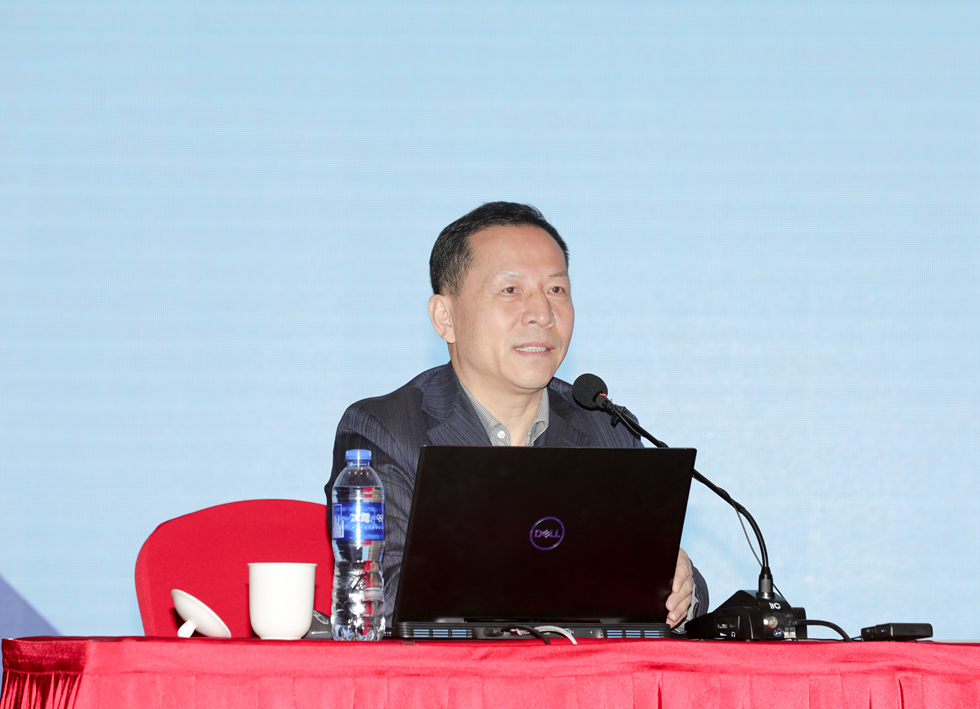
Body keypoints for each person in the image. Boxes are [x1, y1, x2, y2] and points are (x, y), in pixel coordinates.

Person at [330, 202, 707, 630]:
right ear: (445, 318)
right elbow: (386, 593)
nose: (542, 313)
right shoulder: (386, 429)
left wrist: (680, 586)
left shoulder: (605, 426)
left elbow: (663, 592)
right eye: (511, 290)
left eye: (556, 290)